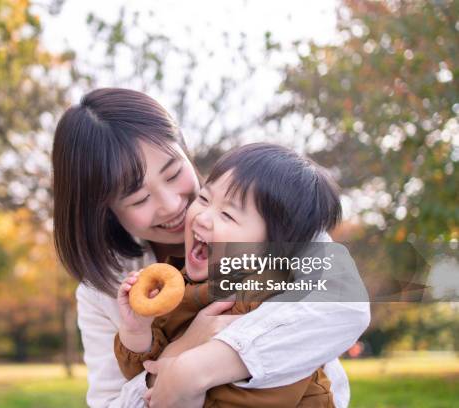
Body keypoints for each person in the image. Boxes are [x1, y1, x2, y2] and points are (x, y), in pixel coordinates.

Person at [52, 88, 370, 407]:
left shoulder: (268, 210)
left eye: (174, 173)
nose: (172, 204)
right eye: (139, 199)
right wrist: (181, 350)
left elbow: (343, 305)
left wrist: (202, 364)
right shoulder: (105, 290)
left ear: (185, 151)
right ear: (103, 209)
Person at [115, 143, 341, 407]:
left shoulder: (270, 302)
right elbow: (144, 375)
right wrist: (136, 331)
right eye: (204, 199)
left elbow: (262, 396)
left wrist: (187, 392)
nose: (203, 217)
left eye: (227, 215)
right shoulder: (184, 284)